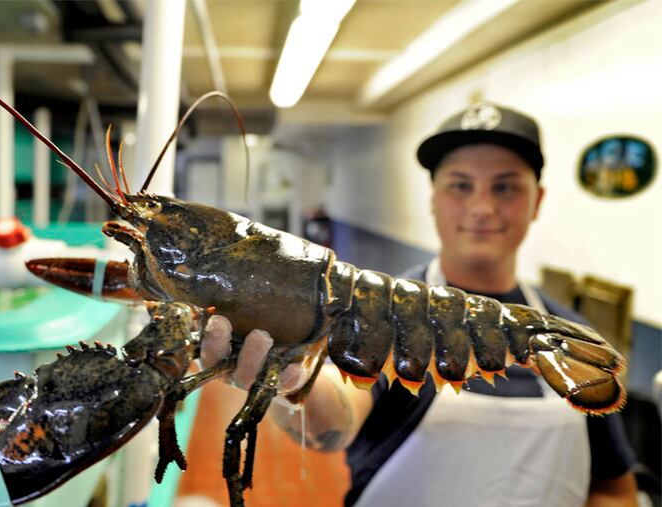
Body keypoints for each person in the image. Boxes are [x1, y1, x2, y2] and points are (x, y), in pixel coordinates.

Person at [200, 102, 637, 506]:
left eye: (505, 188)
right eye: (460, 186)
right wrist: (292, 387)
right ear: (432, 198)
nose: (482, 207)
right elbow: (335, 421)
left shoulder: (570, 338)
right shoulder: (379, 308)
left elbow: (614, 490)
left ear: (536, 201)